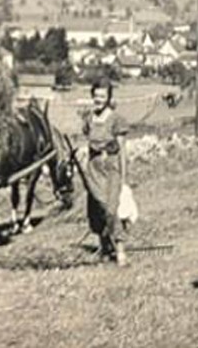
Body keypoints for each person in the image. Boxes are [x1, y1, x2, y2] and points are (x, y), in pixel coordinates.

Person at [79, 77, 130, 267]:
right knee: (96, 211)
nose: (99, 99)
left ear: (109, 98)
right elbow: (87, 142)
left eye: (103, 96)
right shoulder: (89, 119)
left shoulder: (116, 120)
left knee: (111, 210)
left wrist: (124, 179)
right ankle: (103, 247)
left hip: (110, 169)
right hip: (93, 170)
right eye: (96, 95)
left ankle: (120, 251)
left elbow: (122, 151)